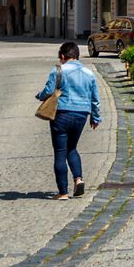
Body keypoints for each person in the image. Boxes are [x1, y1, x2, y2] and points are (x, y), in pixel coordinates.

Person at [36, 41, 102, 200]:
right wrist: (95, 117)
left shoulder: (58, 70)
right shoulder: (89, 73)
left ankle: (63, 192)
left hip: (62, 114)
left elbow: (48, 91)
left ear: (62, 56)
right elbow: (95, 99)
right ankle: (78, 179)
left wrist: (39, 96)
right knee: (71, 148)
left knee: (60, 152)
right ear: (77, 56)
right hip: (81, 115)